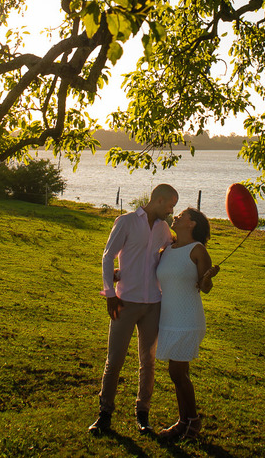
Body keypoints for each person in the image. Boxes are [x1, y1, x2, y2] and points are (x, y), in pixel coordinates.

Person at [89, 183, 178, 436]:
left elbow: (172, 251)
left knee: (148, 362)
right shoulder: (126, 222)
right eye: (171, 204)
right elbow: (108, 256)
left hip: (153, 305)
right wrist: (109, 294)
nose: (172, 210)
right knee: (114, 360)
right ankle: (104, 415)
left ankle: (143, 415)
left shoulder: (163, 228)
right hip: (125, 302)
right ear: (159, 200)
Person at [155, 207, 218, 441]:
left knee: (177, 371)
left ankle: (191, 421)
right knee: (179, 373)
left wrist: (207, 277)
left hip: (188, 319)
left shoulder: (198, 250)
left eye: (182, 215)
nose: (176, 216)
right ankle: (185, 422)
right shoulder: (167, 249)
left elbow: (205, 288)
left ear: (192, 224)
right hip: (168, 318)